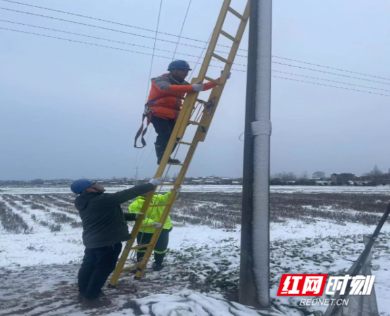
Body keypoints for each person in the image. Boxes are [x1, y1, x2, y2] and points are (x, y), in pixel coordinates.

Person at [71, 177, 163, 308]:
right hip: (107, 242)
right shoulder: (100, 199)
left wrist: (133, 216)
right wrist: (150, 185)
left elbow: (107, 215)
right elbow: (126, 194)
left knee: (89, 267)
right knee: (103, 269)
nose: (99, 184)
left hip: (93, 241)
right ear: (90, 189)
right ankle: (91, 299)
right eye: (95, 184)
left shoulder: (85, 201)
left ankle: (84, 292)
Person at [146, 60, 231, 164]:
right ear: (173, 70)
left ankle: (166, 156)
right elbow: (165, 88)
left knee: (177, 136)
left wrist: (220, 79)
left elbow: (202, 87)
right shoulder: (160, 80)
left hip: (174, 115)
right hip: (157, 112)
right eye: (182, 70)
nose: (185, 73)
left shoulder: (182, 84)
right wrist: (191, 87)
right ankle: (162, 157)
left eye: (186, 71)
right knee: (165, 134)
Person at [128, 189, 179, 271]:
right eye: (146, 190)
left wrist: (173, 191)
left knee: (160, 248)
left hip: (162, 227)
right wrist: (151, 223)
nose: (150, 192)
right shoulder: (135, 205)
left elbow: (167, 198)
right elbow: (139, 218)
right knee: (142, 248)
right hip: (146, 230)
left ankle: (158, 264)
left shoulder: (158, 198)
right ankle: (140, 265)